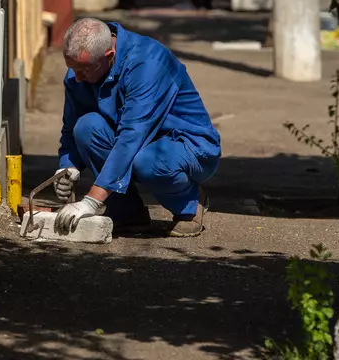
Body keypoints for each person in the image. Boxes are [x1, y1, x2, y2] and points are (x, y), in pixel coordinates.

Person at [51, 18, 221, 237]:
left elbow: (132, 136)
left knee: (147, 161)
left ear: (109, 56)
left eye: (83, 70)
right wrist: (68, 166)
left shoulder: (148, 63)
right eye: (72, 68)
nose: (77, 77)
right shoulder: (81, 70)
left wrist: (91, 200)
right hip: (137, 140)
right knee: (86, 127)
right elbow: (71, 126)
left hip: (187, 145)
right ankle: (127, 212)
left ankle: (189, 204)